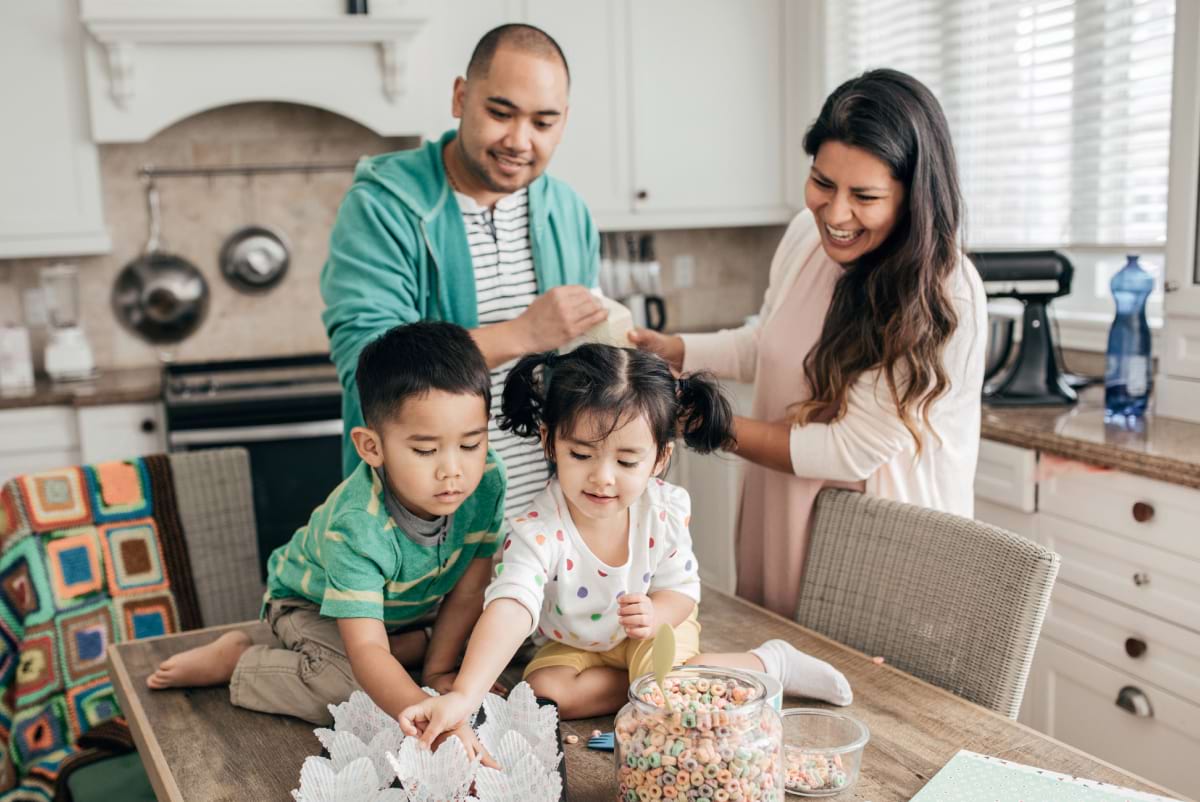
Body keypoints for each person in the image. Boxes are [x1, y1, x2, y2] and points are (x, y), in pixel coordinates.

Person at [630, 68, 987, 617]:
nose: (836, 213)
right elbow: (771, 345)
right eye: (823, 183)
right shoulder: (806, 235)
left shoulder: (943, 290)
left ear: (913, 197)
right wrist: (676, 350)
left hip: (876, 537)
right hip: (781, 499)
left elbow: (846, 451)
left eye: (864, 196)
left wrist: (706, 422)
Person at [397, 345, 851, 744]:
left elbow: (681, 593)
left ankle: (769, 663)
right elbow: (512, 601)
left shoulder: (663, 511)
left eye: (627, 460)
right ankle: (661, 682)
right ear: (549, 442)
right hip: (578, 644)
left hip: (654, 629)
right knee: (544, 694)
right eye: (581, 455)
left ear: (660, 458)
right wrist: (464, 695)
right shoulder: (537, 526)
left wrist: (657, 615)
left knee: (662, 682)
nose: (602, 477)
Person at [146, 322, 506, 752]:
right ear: (371, 447)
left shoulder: (486, 480)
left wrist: (438, 674)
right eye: (426, 450)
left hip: (401, 608)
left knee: (475, 642)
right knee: (350, 693)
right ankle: (238, 661)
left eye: (471, 444)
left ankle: (419, 651)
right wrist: (423, 710)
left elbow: (469, 590)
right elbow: (369, 648)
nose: (453, 470)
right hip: (310, 604)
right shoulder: (357, 525)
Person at [321, 23, 607, 523]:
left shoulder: (569, 212)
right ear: (460, 97)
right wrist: (523, 334)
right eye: (500, 112)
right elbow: (369, 369)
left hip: (545, 532)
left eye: (544, 122)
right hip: (423, 536)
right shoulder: (382, 205)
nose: (519, 140)